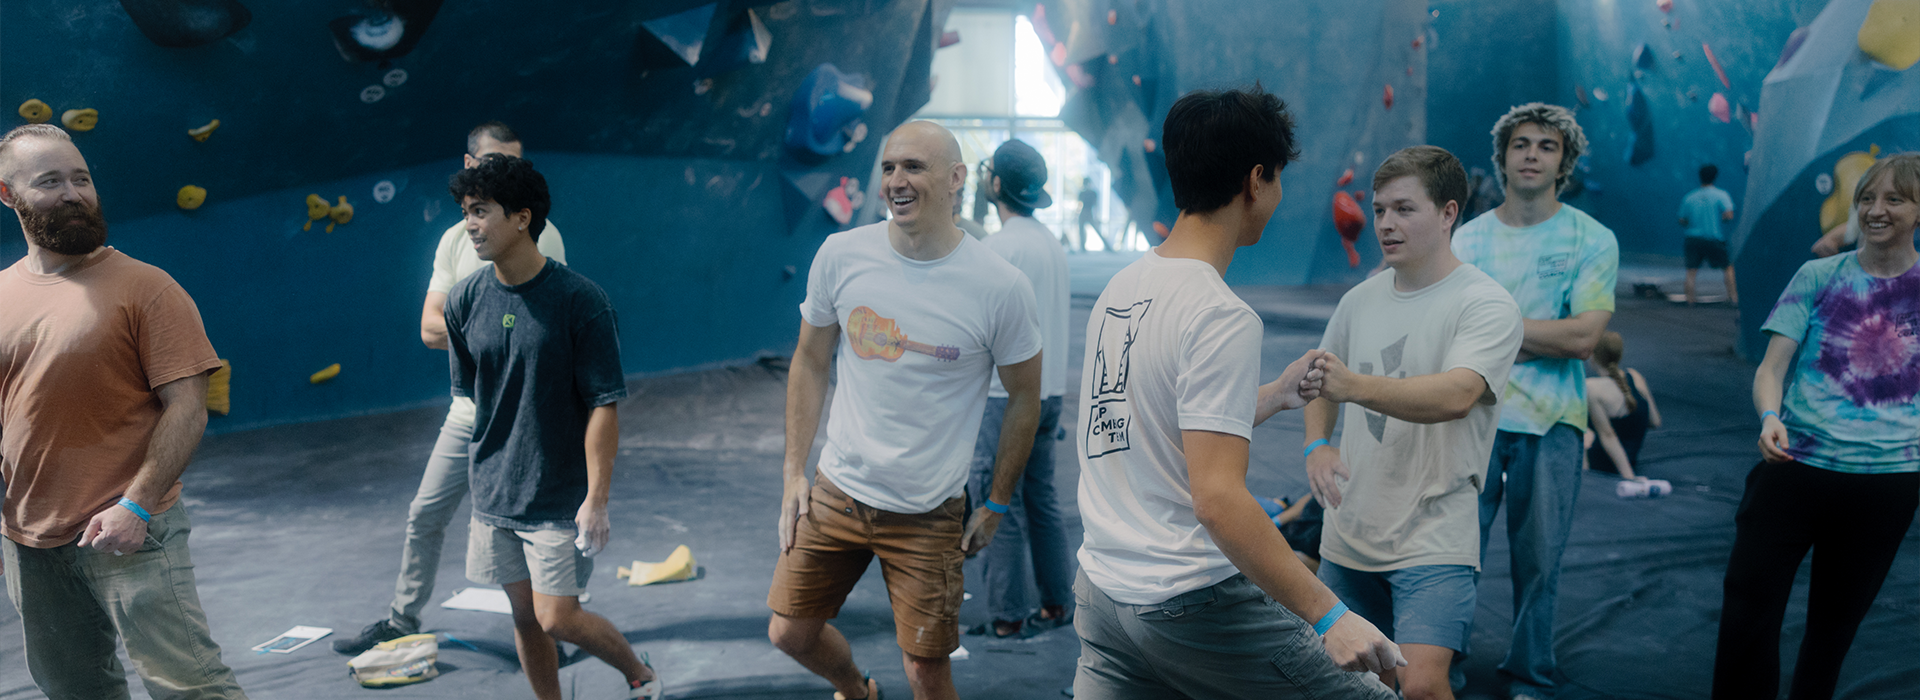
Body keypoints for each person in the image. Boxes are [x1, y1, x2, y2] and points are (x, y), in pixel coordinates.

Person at [1073, 85, 1404, 699]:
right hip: (1189, 601)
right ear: (1256, 180)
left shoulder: (1122, 288)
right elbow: (1217, 500)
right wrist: (1331, 616)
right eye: (1277, 180)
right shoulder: (1218, 313)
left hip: (1103, 595)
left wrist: (1276, 395)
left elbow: (1151, 422)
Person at [769, 120, 1045, 700]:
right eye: (890, 166)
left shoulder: (1001, 286)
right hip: (837, 492)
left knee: (925, 670)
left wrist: (996, 503)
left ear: (955, 180)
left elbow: (1024, 396)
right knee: (790, 633)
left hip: (927, 513)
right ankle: (858, 690)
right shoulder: (841, 254)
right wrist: (794, 471)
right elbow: (810, 360)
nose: (897, 179)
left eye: (914, 167)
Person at [0, 123, 249, 699]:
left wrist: (135, 505)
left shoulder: (146, 288)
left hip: (131, 530)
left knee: (190, 687)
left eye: (82, 178)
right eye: (51, 181)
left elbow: (188, 406)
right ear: (9, 196)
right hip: (29, 543)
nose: (73, 193)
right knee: (74, 692)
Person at [334, 121, 570, 654]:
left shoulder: (542, 235)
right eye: (493, 164)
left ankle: (560, 625)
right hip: (469, 413)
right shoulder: (455, 238)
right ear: (469, 169)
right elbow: (429, 328)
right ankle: (402, 618)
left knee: (539, 530)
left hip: (526, 418)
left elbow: (541, 333)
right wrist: (491, 326)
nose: (508, 174)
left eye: (518, 164)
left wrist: (477, 326)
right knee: (425, 513)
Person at [1303, 145, 1524, 700]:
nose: (1384, 224)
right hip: (1349, 531)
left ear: (1449, 213)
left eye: (1404, 209)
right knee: (1356, 688)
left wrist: (1355, 387)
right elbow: (1320, 378)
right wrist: (1316, 445)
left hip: (1434, 533)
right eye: (1379, 210)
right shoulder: (1359, 300)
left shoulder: (1485, 304)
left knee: (1423, 686)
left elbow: (1458, 394)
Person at [442, 154, 658, 700]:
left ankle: (640, 673)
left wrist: (597, 499)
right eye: (466, 211)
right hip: (493, 493)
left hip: (560, 497)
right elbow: (473, 393)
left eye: (480, 211)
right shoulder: (464, 300)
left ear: (521, 217)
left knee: (558, 617)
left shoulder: (581, 302)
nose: (470, 224)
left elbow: (603, 406)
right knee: (524, 617)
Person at [1713, 153, 1920, 700]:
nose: (1876, 211)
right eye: (1867, 199)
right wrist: (1770, 416)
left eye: (1894, 199)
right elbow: (1770, 368)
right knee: (1746, 611)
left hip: (1887, 482)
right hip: (1794, 468)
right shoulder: (1819, 275)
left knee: (1834, 629)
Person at [1450, 102, 1618, 700]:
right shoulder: (1465, 240)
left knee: (1540, 561)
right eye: (1521, 143)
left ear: (1563, 161)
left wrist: (1495, 333)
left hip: (1553, 423)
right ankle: (1441, 666)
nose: (1531, 154)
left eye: (1546, 146)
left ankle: (1529, 673)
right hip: (1469, 420)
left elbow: (1582, 339)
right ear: (1502, 157)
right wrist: (1534, 333)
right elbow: (1448, 332)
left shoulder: (1590, 239)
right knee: (1451, 554)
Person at [964, 139, 1073, 640]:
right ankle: (1056, 603)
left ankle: (1007, 614)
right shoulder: (1050, 244)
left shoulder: (998, 248)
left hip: (1005, 399)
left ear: (996, 185)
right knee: (1042, 498)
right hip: (1049, 394)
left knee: (996, 501)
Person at [1582, 332, 1662, 484]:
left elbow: (1608, 436)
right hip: (1630, 460)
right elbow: (1655, 421)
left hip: (1602, 465)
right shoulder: (1635, 377)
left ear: (1592, 356)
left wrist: (1629, 477)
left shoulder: (1592, 388)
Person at [1678, 164, 1737, 306]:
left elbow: (1682, 219)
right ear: (1715, 176)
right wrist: (1720, 219)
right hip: (1713, 237)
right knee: (1727, 268)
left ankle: (1690, 299)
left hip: (1693, 238)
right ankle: (1733, 298)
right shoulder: (1721, 195)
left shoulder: (1690, 197)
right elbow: (1729, 215)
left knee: (1691, 271)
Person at [1076, 176, 1104, 251]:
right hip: (1087, 212)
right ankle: (1082, 247)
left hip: (1086, 212)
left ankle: (1083, 247)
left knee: (1083, 231)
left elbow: (1080, 205)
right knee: (1082, 231)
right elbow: (1094, 205)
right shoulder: (1091, 193)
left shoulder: (1086, 193)